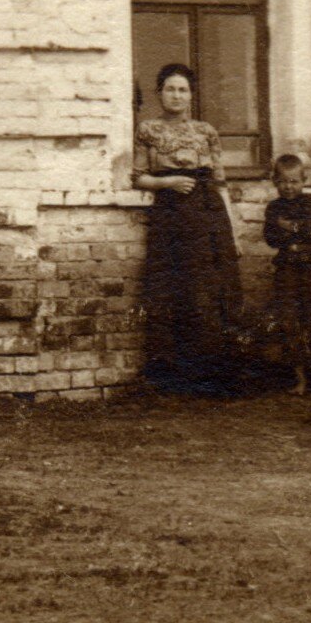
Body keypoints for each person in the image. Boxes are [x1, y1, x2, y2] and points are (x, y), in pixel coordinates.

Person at [129, 61, 244, 395]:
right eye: (169, 89)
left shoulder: (206, 131)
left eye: (182, 90)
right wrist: (168, 183)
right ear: (159, 93)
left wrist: (233, 232)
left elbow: (221, 183)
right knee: (176, 287)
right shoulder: (147, 129)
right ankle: (175, 376)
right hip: (173, 215)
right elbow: (138, 178)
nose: (176, 96)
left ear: (191, 95)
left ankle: (212, 375)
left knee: (212, 288)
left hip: (209, 213)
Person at [261, 152, 311, 388]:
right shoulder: (273, 208)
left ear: (304, 181)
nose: (288, 187)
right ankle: (299, 378)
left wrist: (287, 226)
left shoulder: (310, 202)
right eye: (282, 181)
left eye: (294, 181)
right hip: (287, 269)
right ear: (274, 181)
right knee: (289, 319)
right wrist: (298, 228)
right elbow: (271, 239)